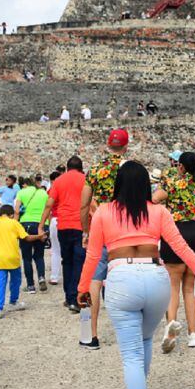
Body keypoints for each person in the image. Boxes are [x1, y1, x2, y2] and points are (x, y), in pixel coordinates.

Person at [77, 161, 195, 389]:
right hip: (156, 277)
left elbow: (93, 255)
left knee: (131, 353)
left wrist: (83, 287)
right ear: (147, 185)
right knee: (144, 343)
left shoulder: (104, 212)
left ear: (118, 184)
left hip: (122, 278)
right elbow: (180, 247)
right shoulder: (158, 211)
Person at [152, 151, 195, 352]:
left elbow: (153, 200)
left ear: (180, 167)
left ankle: (171, 328)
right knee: (191, 287)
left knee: (173, 285)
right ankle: (193, 334)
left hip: (176, 234)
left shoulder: (171, 184)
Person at [79, 128, 130, 347]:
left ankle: (92, 334)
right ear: (126, 146)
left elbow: (83, 205)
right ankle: (128, 331)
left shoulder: (96, 170)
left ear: (108, 145)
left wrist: (85, 231)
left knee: (94, 280)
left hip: (101, 227)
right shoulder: (131, 169)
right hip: (126, 229)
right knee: (125, 278)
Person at [40, 157, 86, 312]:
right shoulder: (85, 180)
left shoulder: (59, 181)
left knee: (66, 261)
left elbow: (49, 204)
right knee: (79, 261)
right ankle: (75, 298)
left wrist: (41, 225)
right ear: (81, 168)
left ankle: (69, 297)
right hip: (80, 225)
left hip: (63, 224)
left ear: (67, 168)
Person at [0, 205, 46, 318]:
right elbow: (26, 237)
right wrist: (39, 237)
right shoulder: (14, 223)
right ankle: (13, 302)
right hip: (13, 258)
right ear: (11, 214)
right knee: (15, 281)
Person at [14, 176, 49, 293]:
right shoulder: (43, 193)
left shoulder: (21, 192)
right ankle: (41, 277)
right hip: (41, 224)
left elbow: (17, 210)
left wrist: (14, 225)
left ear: (25, 184)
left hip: (26, 224)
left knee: (27, 257)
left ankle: (30, 285)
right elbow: (48, 209)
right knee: (39, 255)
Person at [48, 170, 63, 286]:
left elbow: (48, 207)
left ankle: (54, 276)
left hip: (55, 219)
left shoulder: (51, 190)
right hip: (67, 219)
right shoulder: (65, 188)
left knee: (55, 250)